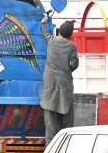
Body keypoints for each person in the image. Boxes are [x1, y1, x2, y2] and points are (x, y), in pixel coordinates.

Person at [40, 16, 79, 145]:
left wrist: (43, 22)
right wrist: (67, 69)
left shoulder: (51, 41)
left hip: (49, 93)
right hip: (64, 91)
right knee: (67, 128)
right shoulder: (72, 47)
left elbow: (44, 32)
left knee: (51, 130)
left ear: (59, 31)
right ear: (70, 35)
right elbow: (74, 64)